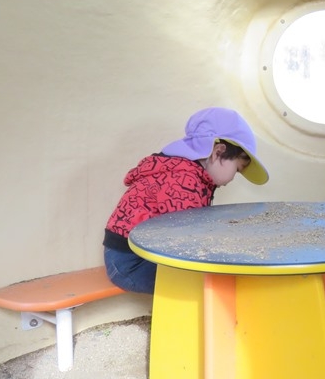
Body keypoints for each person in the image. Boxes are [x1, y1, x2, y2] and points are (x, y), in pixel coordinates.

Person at [103, 107, 269, 294]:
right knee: (206, 278)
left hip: (134, 257)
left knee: (210, 271)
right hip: (129, 264)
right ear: (218, 152)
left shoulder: (187, 172)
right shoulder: (182, 180)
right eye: (237, 169)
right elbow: (186, 240)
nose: (232, 178)